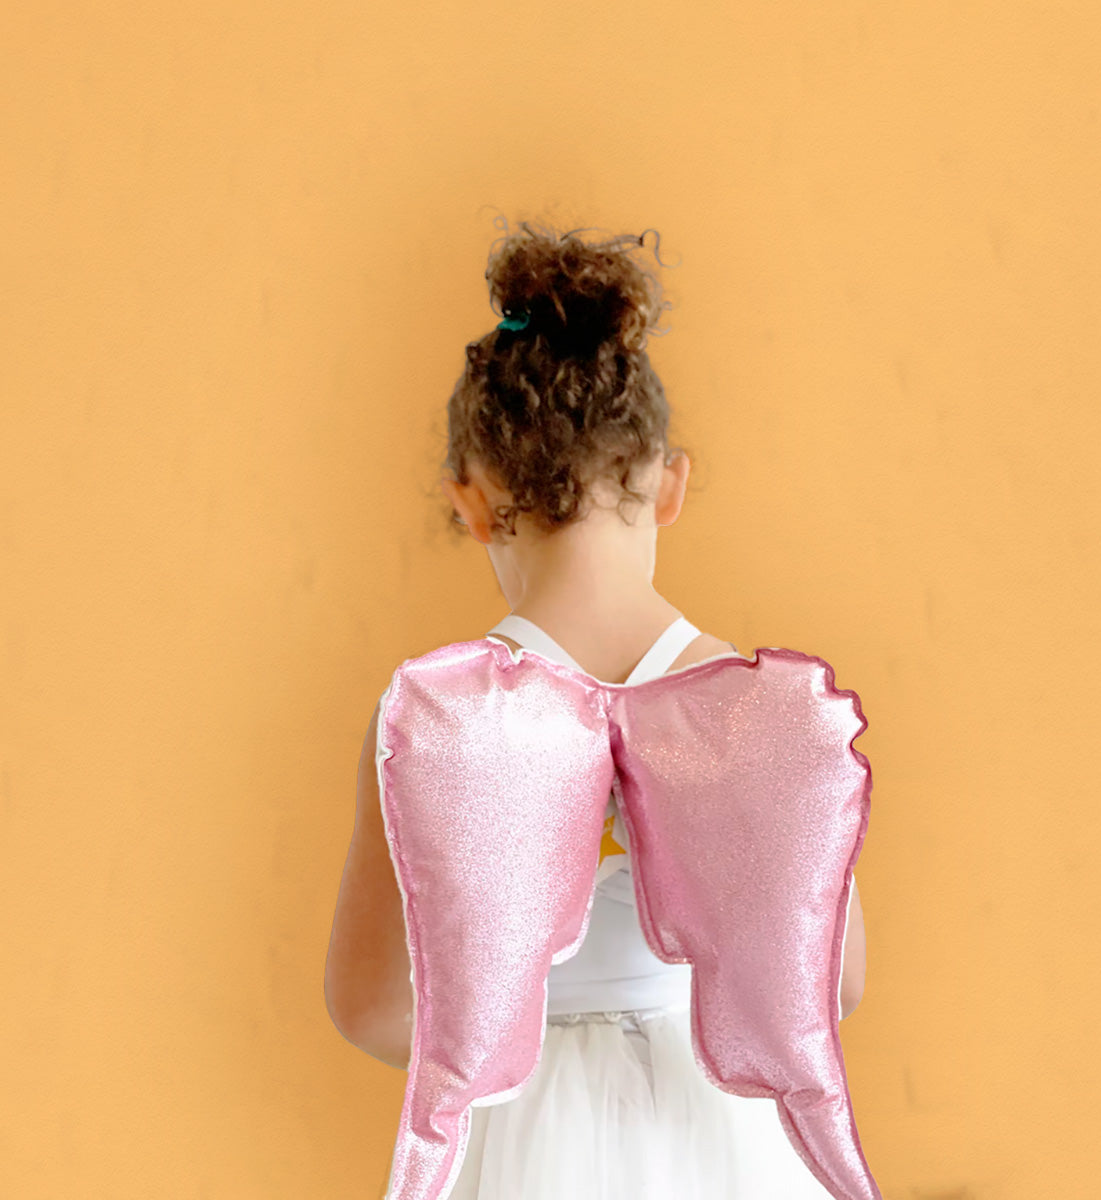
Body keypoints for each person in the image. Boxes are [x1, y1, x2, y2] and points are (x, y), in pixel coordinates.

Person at [325, 218, 869, 1199]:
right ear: (669, 485)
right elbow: (835, 979)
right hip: (725, 1139)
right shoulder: (766, 714)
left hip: (522, 1141)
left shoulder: (433, 722)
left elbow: (369, 1009)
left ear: (471, 501)